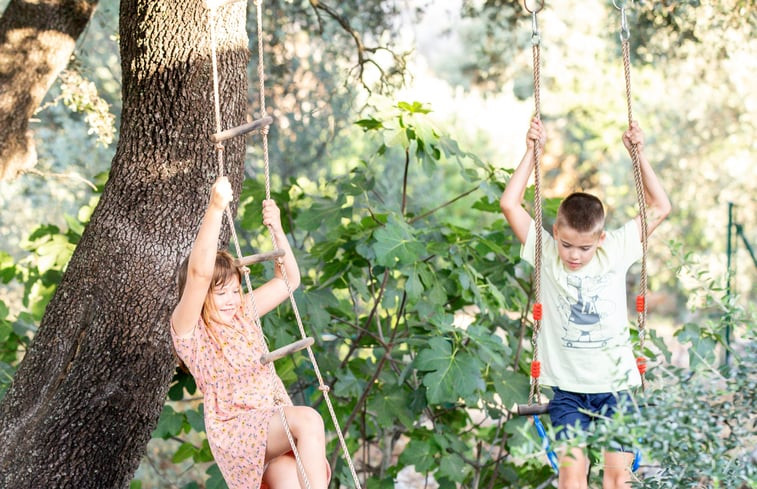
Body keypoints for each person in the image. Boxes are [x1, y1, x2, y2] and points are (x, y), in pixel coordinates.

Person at [500, 118, 671, 489]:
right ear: (556, 232)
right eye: (567, 244)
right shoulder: (545, 253)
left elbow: (660, 206)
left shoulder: (617, 249)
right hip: (568, 389)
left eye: (585, 247)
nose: (574, 255)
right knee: (572, 479)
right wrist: (532, 152)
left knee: (616, 480)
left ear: (601, 239)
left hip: (617, 386)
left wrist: (638, 154)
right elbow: (509, 203)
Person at [170, 176, 330, 489]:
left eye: (234, 291)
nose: (231, 301)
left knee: (292, 481)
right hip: (238, 432)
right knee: (309, 419)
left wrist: (277, 229)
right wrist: (216, 208)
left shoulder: (242, 312)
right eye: (221, 294)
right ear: (202, 296)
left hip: (273, 423)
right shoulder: (189, 330)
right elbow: (199, 273)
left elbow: (289, 281)